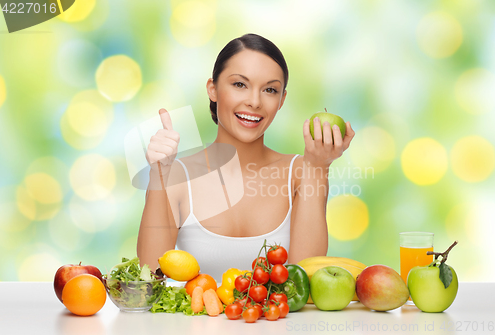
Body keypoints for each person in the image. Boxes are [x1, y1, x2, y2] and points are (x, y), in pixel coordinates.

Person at [137, 33, 355, 280]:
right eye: (239, 84)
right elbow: (149, 278)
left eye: (270, 90)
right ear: (213, 89)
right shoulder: (177, 175)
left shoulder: (300, 172)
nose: (254, 101)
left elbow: (303, 279)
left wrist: (318, 167)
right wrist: (159, 175)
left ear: (281, 100)